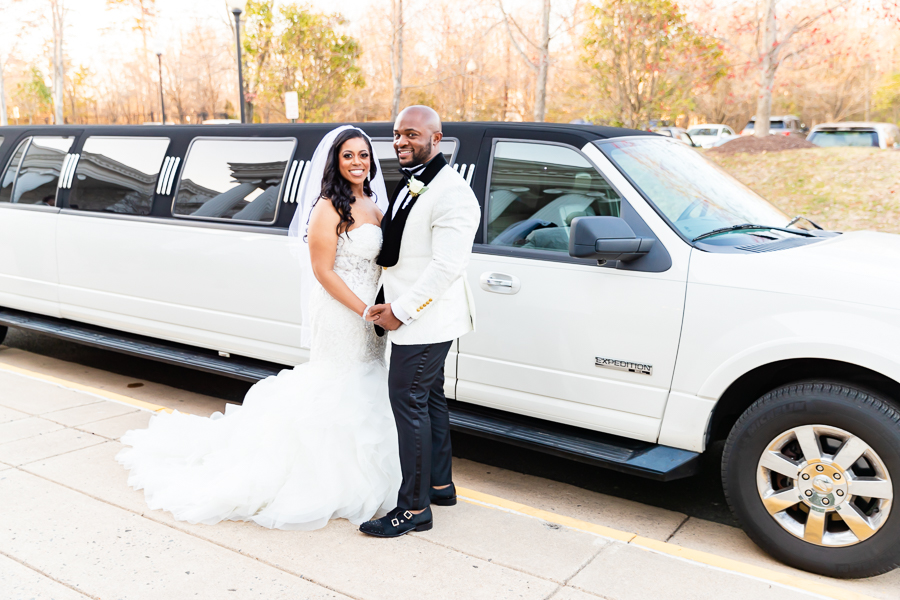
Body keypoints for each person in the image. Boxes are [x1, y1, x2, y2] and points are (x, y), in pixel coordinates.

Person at [116, 126, 402, 530]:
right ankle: (324, 479)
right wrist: (363, 310)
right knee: (338, 384)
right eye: (348, 156)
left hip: (371, 310)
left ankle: (374, 473)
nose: (358, 163)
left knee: (367, 382)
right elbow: (322, 271)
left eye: (363, 155)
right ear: (335, 163)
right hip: (343, 311)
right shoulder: (327, 208)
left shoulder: (373, 202)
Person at [359, 106, 481, 538]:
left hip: (427, 320)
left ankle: (413, 510)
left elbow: (446, 267)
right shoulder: (416, 182)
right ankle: (439, 485)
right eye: (396, 134)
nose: (400, 142)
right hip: (420, 314)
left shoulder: (453, 193)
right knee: (428, 399)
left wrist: (399, 312)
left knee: (407, 401)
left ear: (437, 137)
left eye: (411, 134)